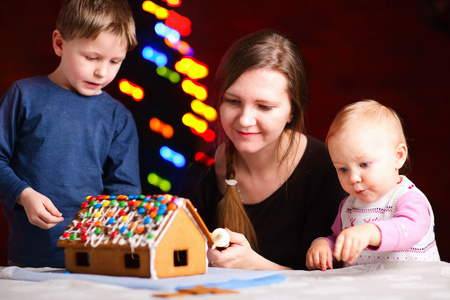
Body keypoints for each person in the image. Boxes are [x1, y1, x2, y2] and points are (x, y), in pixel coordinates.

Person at [178, 29, 346, 270]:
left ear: (291, 112)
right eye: (233, 101)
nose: (245, 120)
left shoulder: (329, 171)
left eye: (264, 106)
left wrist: (254, 264)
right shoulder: (200, 177)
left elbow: (331, 286)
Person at [0, 0, 141, 268]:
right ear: (60, 43)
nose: (102, 72)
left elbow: (124, 193)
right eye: (91, 58)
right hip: (28, 261)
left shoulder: (118, 117)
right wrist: (23, 193)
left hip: (96, 262)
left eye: (115, 61)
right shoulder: (24, 96)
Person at [306, 100, 440, 271]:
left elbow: (409, 229)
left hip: (415, 287)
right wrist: (325, 246)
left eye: (364, 164)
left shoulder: (407, 198)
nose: (353, 178)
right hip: (369, 290)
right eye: (343, 169)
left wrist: (369, 232)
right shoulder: (348, 207)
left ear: (398, 156)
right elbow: (341, 240)